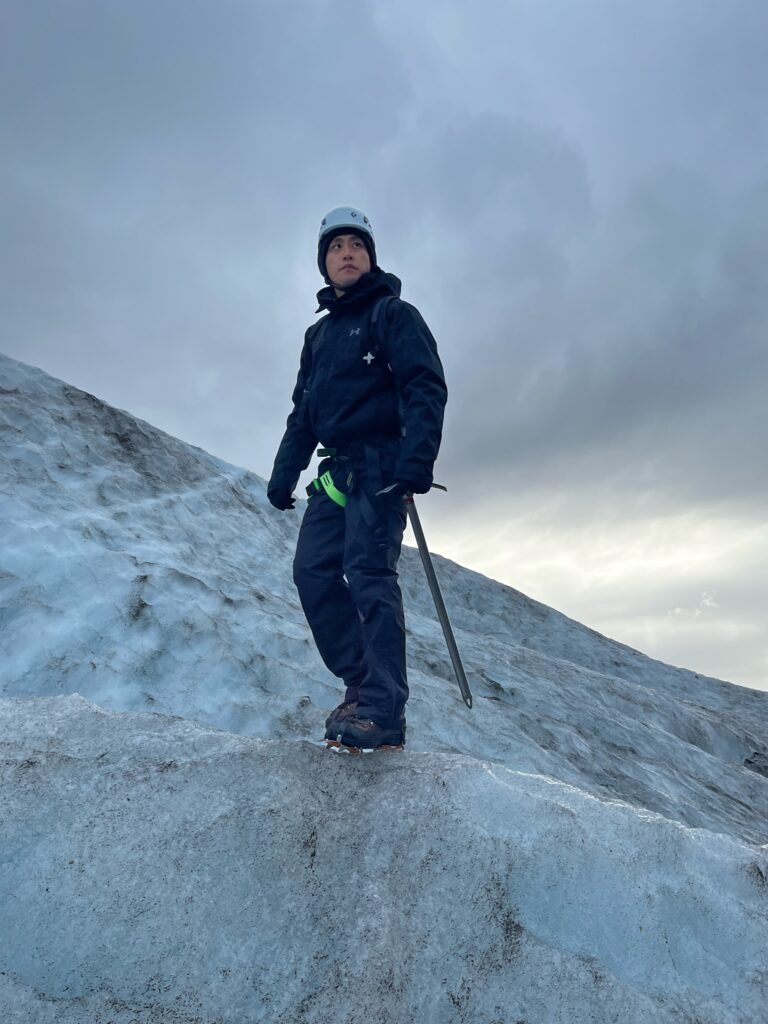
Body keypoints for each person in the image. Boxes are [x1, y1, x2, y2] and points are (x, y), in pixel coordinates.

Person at [267, 206, 447, 750]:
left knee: (368, 577)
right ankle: (361, 683)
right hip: (336, 471)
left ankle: (383, 710)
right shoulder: (318, 336)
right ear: (323, 263)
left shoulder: (394, 315)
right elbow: (304, 410)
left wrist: (417, 460)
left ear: (370, 257)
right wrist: (284, 472)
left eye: (357, 245)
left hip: (382, 469)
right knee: (313, 573)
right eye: (336, 246)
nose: (347, 253)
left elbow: (425, 387)